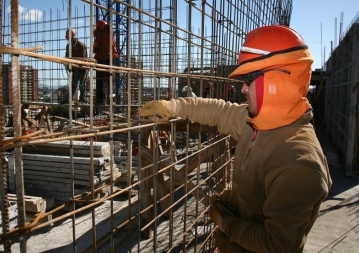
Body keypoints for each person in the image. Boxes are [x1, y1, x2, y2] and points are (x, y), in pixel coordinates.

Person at [140, 25, 332, 252]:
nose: (242, 89)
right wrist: (175, 106)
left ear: (275, 84)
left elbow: (278, 245)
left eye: (249, 80)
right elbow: (220, 112)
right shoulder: (258, 122)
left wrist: (227, 223)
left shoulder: (298, 163)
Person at [93, 20, 119, 106]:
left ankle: (110, 99)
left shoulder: (108, 33)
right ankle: (103, 100)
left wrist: (97, 46)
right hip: (102, 59)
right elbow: (95, 49)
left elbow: (106, 45)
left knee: (108, 81)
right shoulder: (100, 35)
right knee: (104, 82)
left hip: (108, 59)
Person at [64, 28, 88, 104]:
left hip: (82, 68)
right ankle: (69, 99)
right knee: (73, 84)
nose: (66, 36)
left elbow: (82, 58)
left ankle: (82, 99)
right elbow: (67, 56)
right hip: (75, 69)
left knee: (82, 84)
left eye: (67, 34)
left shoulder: (80, 45)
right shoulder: (68, 46)